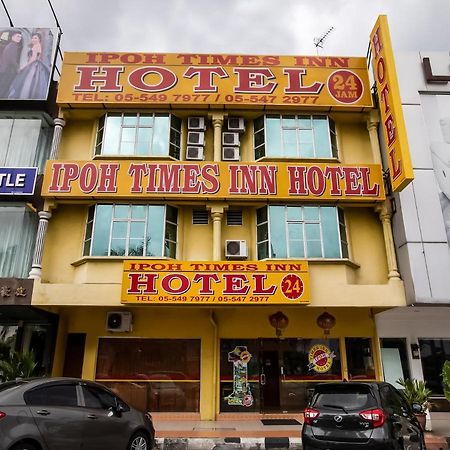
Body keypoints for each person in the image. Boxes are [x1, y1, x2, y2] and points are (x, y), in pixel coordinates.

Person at [8, 32, 51, 100]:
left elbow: (33, 59)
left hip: (33, 66)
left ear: (39, 39)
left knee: (28, 83)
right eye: (32, 38)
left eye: (35, 38)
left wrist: (24, 67)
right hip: (35, 65)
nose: (33, 39)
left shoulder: (36, 46)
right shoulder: (37, 45)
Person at [0, 30, 22, 98]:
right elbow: (11, 59)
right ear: (12, 37)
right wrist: (18, 67)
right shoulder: (13, 46)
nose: (19, 38)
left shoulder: (11, 45)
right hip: (7, 70)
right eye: (18, 36)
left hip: (4, 69)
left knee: (4, 86)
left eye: (20, 37)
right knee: (4, 86)